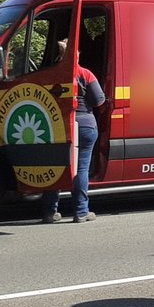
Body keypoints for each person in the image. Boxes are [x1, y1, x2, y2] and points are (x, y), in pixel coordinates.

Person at [42, 39, 106, 224]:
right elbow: (98, 100)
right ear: (76, 54)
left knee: (56, 167)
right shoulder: (85, 73)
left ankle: (49, 212)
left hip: (57, 125)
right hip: (84, 124)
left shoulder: (50, 74)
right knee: (81, 168)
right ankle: (81, 212)